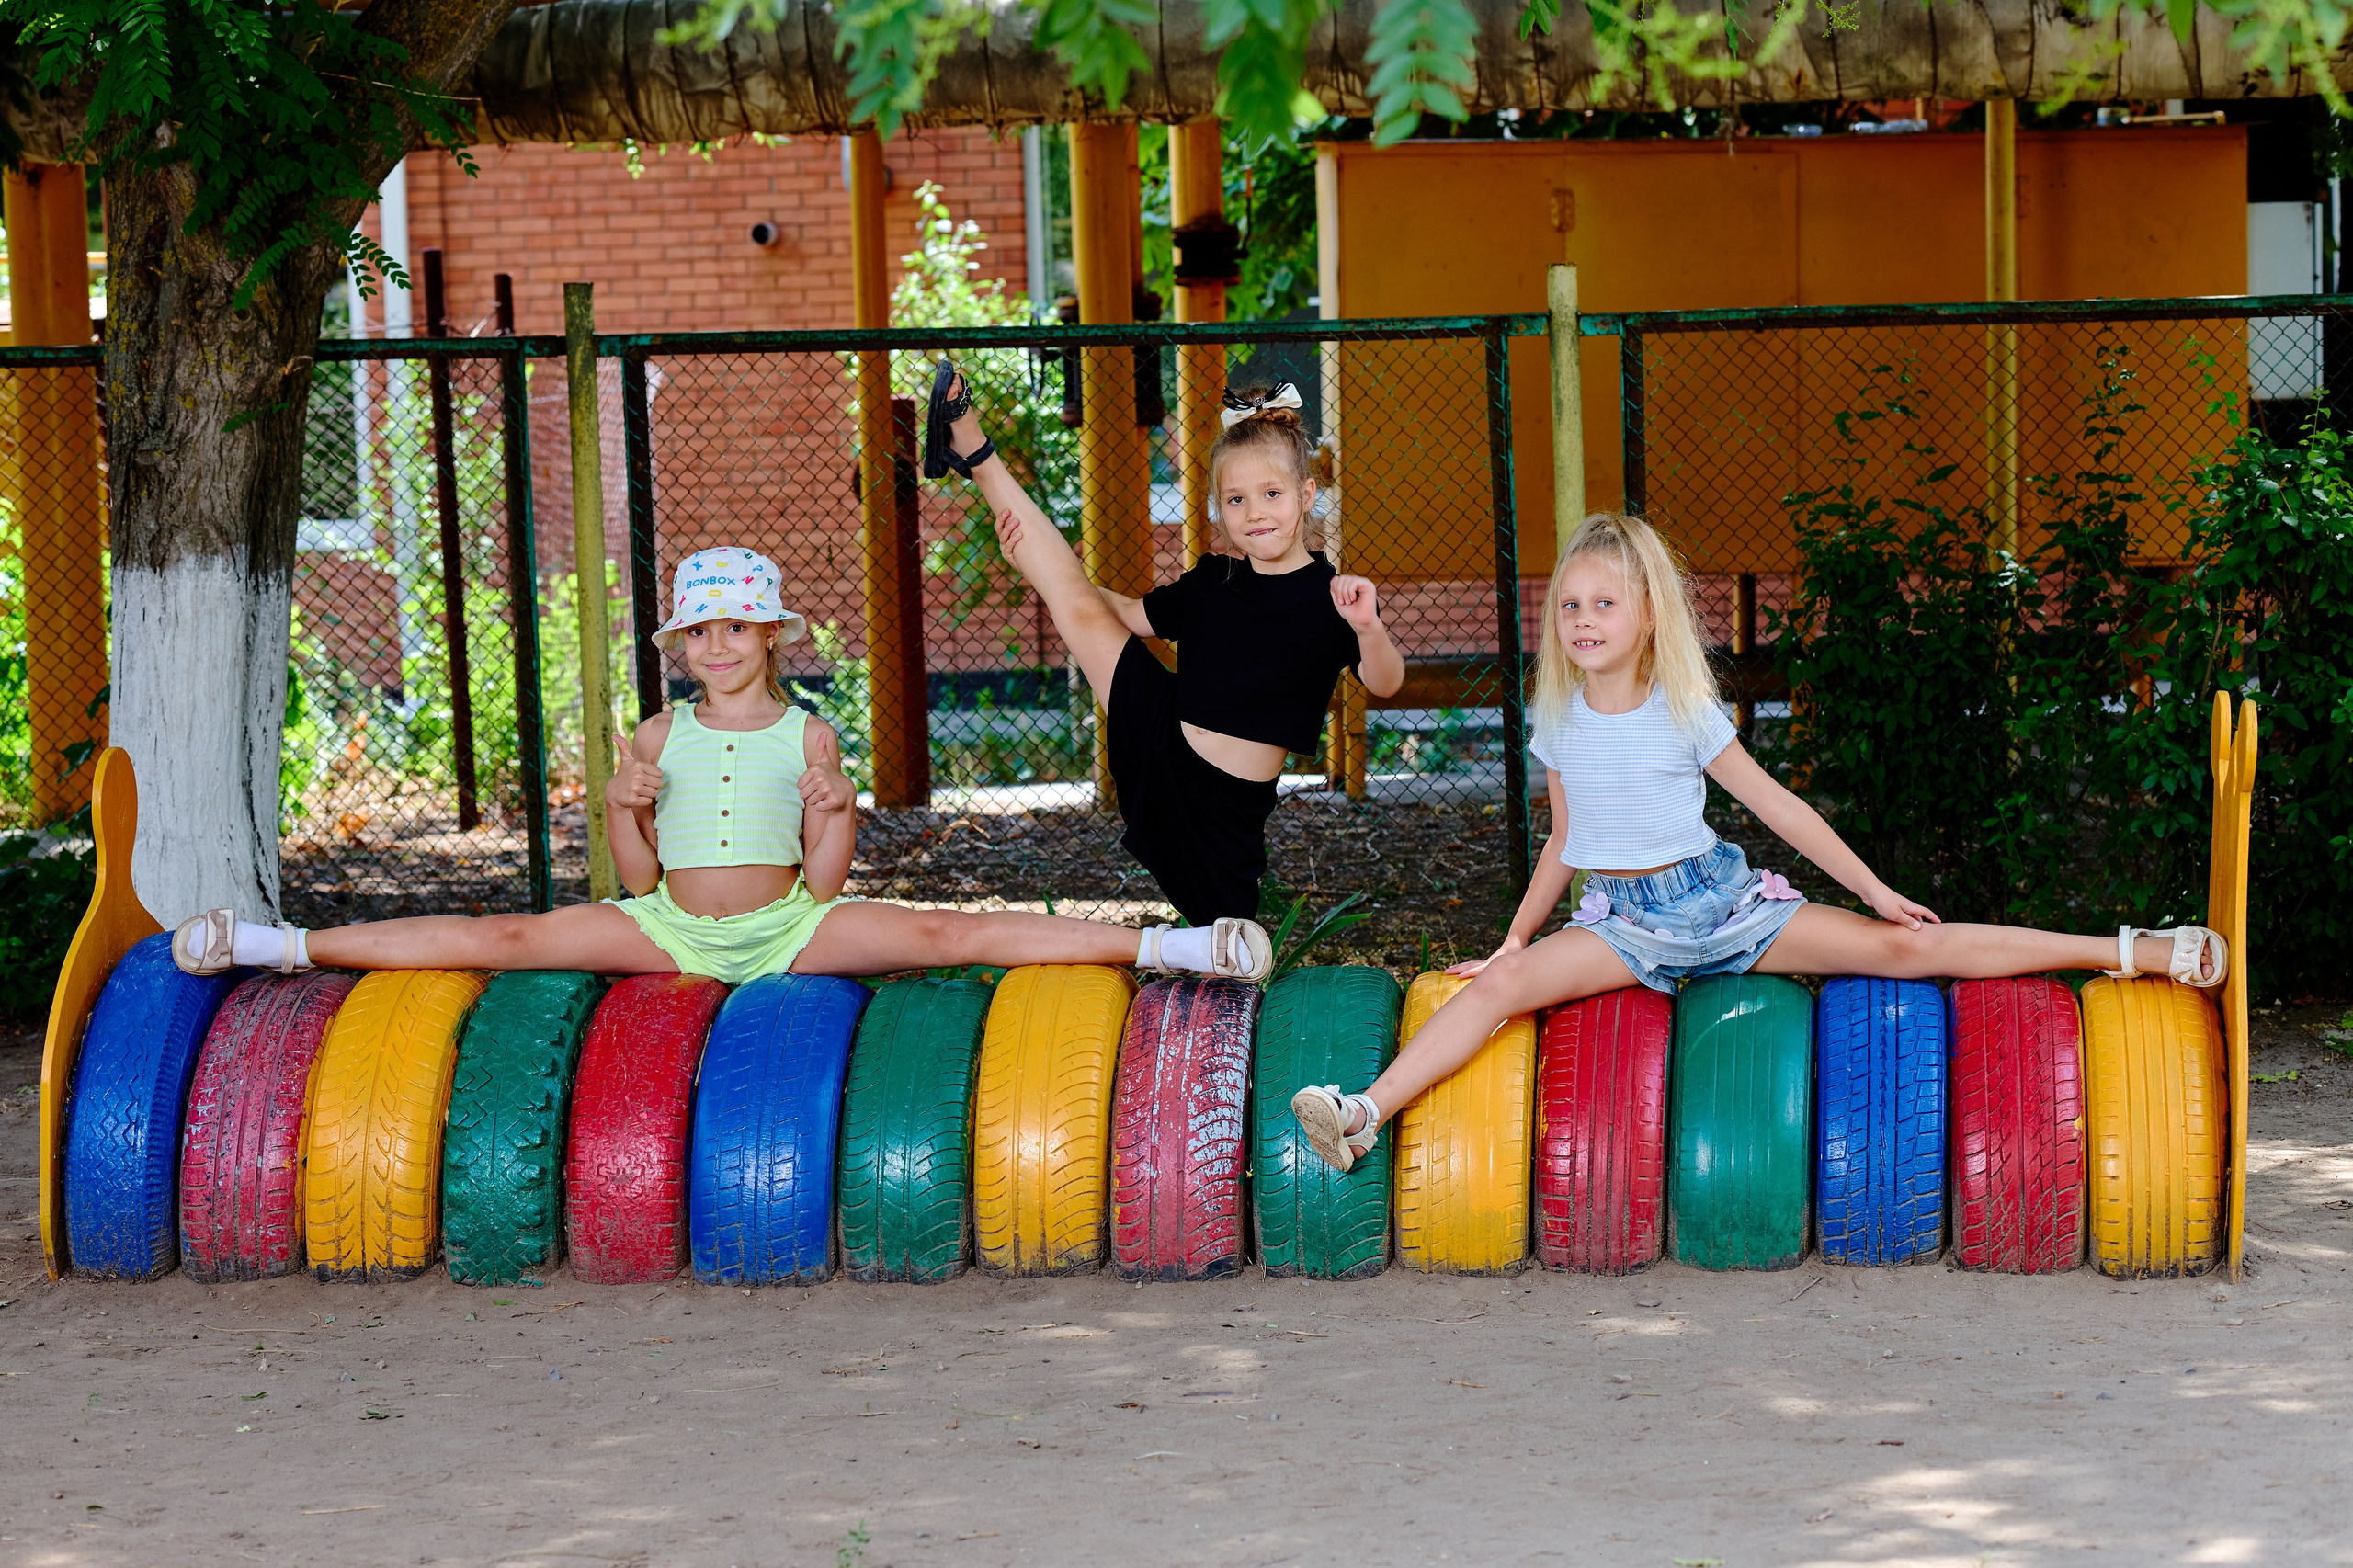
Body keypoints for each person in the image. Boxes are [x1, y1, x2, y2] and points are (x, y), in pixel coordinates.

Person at [1288, 512, 2227, 1174]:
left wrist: (1874, 890)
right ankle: (1363, 1113)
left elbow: (1782, 810)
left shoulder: (1683, 711)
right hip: (1622, 925)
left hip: (1721, 904)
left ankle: (2127, 949)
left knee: (1912, 948)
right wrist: (1515, 938)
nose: (1583, 622)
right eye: (1569, 607)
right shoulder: (1561, 720)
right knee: (1496, 988)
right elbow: (1567, 839)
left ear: (1647, 615)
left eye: (1604, 605)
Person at [171, 547, 1272, 983]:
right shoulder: (660, 735)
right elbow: (639, 879)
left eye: (735, 628)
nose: (717, 646)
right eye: (700, 632)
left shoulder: (808, 734)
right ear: (681, 646)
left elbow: (825, 884)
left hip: (788, 930)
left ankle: (1178, 946)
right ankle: (274, 944)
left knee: (950, 933)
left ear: (770, 636)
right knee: (501, 937)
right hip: (672, 931)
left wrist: (837, 811)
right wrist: (620, 806)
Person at [926, 369, 1406, 926]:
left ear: (1306, 495)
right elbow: (1124, 615)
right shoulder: (1213, 582)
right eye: (1236, 499)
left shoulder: (1335, 598)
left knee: (1229, 947)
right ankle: (973, 449)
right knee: (1074, 599)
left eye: (1272, 494)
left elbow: (1386, 682)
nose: (1255, 513)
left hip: (1225, 811)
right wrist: (1049, 575)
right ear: (1218, 507)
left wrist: (1368, 628)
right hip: (1161, 734)